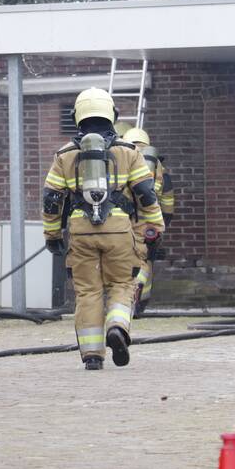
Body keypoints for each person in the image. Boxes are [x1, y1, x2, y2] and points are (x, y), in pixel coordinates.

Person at [42, 88, 164, 370]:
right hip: (120, 231)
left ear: (77, 117)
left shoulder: (64, 155)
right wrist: (155, 228)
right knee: (122, 283)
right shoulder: (129, 152)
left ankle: (93, 356)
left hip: (81, 232)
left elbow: (51, 200)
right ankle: (118, 327)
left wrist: (52, 236)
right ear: (112, 115)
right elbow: (146, 194)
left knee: (87, 291)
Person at [122, 127, 175, 313]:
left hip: (125, 219)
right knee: (146, 259)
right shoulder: (158, 165)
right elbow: (168, 198)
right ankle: (139, 300)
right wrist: (164, 221)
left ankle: (128, 297)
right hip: (150, 220)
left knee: (125, 259)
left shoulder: (123, 157)